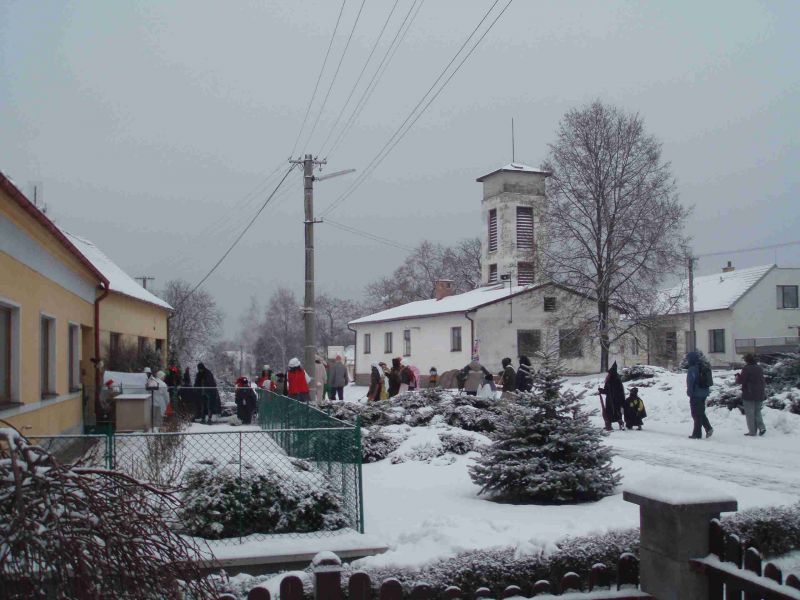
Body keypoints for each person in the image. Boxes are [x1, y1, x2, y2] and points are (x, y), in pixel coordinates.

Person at [686, 351, 713, 439]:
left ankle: (697, 434)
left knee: (696, 414)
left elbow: (691, 382)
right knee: (700, 412)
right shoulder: (703, 366)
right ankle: (708, 428)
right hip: (704, 392)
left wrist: (689, 392)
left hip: (696, 393)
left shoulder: (692, 369)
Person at [740, 353, 766, 436]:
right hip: (760, 393)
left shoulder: (746, 368)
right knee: (757, 411)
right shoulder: (759, 368)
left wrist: (737, 378)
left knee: (750, 413)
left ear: (747, 360)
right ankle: (762, 427)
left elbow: (742, 380)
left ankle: (752, 431)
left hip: (749, 393)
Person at [598, 361, 625, 431]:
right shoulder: (610, 380)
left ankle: (618, 424)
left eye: (609, 373)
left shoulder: (615, 380)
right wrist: (601, 390)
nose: (608, 374)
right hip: (611, 400)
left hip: (615, 400)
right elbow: (607, 390)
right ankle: (609, 425)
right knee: (610, 412)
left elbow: (619, 391)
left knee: (615, 412)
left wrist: (602, 391)